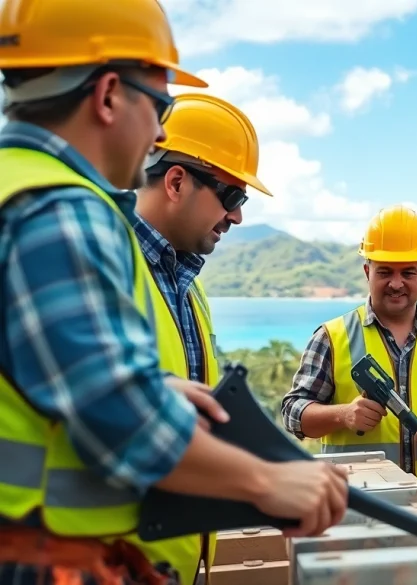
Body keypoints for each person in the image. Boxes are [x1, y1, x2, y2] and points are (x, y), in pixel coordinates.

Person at [0, 2, 348, 584]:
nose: (161, 133)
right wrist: (266, 481)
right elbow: (118, 415)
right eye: (160, 106)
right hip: (52, 560)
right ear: (109, 95)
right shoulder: (60, 210)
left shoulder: (21, 192)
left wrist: (158, 390)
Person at [130, 93, 274, 584]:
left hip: (179, 557)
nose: (237, 217)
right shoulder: (106, 267)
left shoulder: (190, 290)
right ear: (176, 181)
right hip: (115, 559)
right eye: (232, 197)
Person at [281, 205, 417, 508]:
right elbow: (292, 413)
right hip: (356, 515)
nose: (396, 283)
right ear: (368, 272)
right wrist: (343, 415)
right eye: (385, 271)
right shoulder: (332, 337)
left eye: (408, 272)